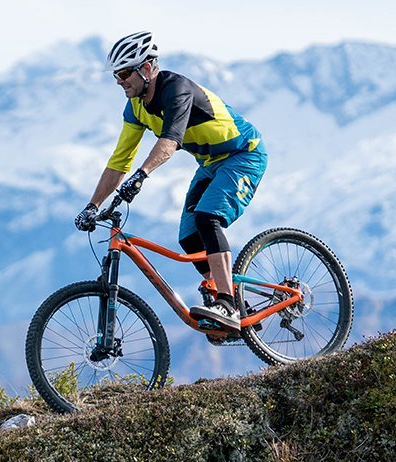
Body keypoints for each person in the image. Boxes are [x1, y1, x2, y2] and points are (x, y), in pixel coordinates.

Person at [77, 31, 267, 334]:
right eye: (116, 74)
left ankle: (227, 303)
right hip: (210, 164)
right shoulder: (135, 107)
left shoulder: (176, 90)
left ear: (148, 68)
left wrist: (142, 175)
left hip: (243, 155)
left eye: (125, 72)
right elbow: (118, 162)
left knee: (207, 218)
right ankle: (230, 298)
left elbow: (170, 141)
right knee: (189, 238)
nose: (119, 81)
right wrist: (91, 205)